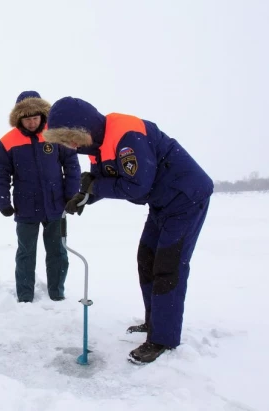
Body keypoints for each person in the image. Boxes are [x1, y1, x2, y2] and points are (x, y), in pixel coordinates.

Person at [43, 97, 213, 364]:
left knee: (168, 266)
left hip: (186, 198)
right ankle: (155, 322)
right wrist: (84, 196)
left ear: (84, 128)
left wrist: (95, 187)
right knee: (147, 260)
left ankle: (163, 339)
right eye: (66, 140)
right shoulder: (97, 143)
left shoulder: (127, 136)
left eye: (72, 137)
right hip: (162, 203)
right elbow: (107, 179)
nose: (72, 145)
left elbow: (136, 186)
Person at [0, 91, 80, 303]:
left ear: (43, 115)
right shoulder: (7, 141)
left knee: (58, 251)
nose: (32, 123)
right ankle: (24, 296)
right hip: (25, 207)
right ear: (19, 118)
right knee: (25, 253)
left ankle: (57, 293)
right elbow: (1, 175)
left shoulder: (56, 135)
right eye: (27, 118)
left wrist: (71, 194)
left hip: (55, 205)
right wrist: (3, 201)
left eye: (35, 118)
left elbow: (72, 166)